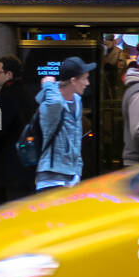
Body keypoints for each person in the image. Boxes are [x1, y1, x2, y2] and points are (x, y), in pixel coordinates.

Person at [34, 56, 94, 191]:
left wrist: (78, 171)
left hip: (71, 177)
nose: (87, 83)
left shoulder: (77, 100)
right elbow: (54, 102)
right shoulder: (52, 103)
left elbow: (77, 137)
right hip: (51, 179)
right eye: (84, 78)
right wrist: (48, 84)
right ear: (73, 81)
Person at [0, 55, 36, 205]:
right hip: (23, 164)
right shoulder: (26, 93)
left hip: (8, 166)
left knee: (4, 204)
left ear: (9, 74)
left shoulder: (7, 96)